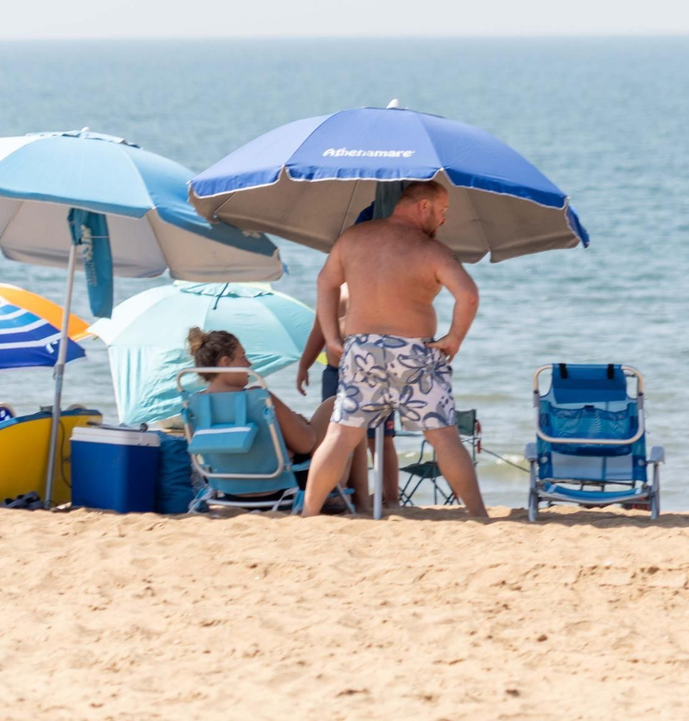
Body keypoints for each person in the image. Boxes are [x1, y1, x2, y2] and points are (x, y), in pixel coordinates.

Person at [300, 180, 487, 518]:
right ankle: (477, 515)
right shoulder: (432, 251)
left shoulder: (353, 240)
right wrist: (454, 338)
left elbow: (325, 284)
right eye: (442, 212)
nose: (443, 220)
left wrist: (331, 338)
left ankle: (308, 514)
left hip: (361, 349)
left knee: (340, 436)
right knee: (443, 438)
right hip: (414, 354)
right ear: (424, 206)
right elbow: (469, 295)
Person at [188, 327, 370, 511]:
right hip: (278, 487)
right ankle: (362, 503)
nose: (249, 364)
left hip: (229, 491)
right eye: (242, 356)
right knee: (341, 409)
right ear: (225, 362)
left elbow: (223, 447)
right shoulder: (259, 398)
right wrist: (295, 427)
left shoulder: (196, 404)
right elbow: (306, 443)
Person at [295, 284, 400, 507]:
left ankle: (391, 497)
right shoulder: (330, 289)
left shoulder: (375, 285)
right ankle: (346, 492)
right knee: (336, 436)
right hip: (335, 372)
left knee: (379, 439)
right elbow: (319, 330)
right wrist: (305, 364)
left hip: (373, 373)